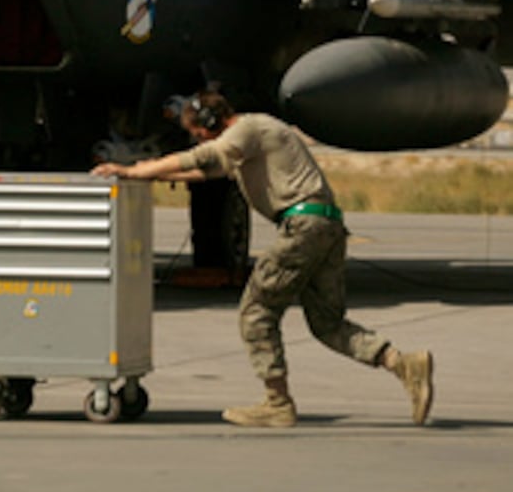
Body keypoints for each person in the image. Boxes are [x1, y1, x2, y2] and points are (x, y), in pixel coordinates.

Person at [91, 88, 434, 428]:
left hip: (301, 227)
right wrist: (147, 173)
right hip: (324, 225)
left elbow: (203, 157)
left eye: (197, 133)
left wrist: (135, 170)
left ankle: (277, 403)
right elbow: (205, 172)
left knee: (256, 313)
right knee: (327, 324)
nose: (196, 141)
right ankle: (403, 364)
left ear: (211, 122)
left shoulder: (247, 128)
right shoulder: (248, 141)